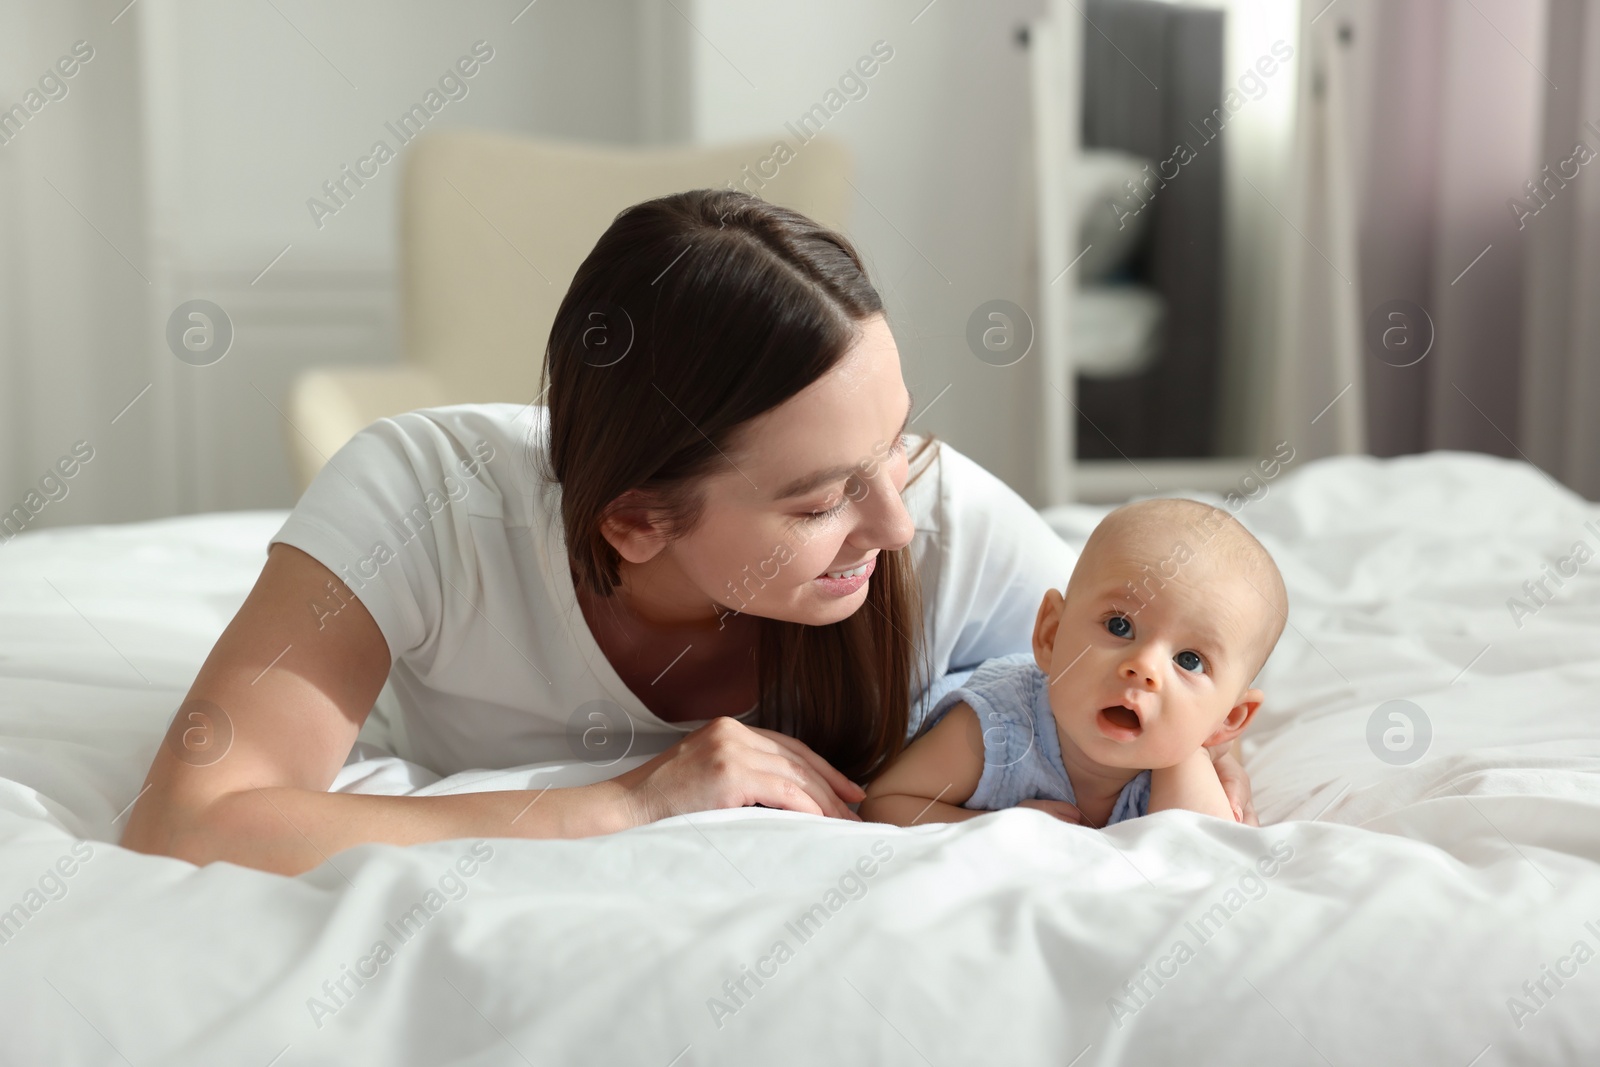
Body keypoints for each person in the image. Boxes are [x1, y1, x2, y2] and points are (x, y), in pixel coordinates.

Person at [120, 189, 1257, 877]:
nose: (895, 521)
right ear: (636, 520)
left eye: (897, 446)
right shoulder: (421, 502)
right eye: (818, 502)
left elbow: (1163, 683)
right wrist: (623, 801)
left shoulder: (944, 524)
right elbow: (191, 819)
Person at [860, 498, 1287, 829]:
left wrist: (1198, 754)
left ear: (1228, 719)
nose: (1144, 668)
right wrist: (996, 827)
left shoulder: (1180, 750)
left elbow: (1198, 854)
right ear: (1050, 634)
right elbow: (886, 803)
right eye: (1120, 626)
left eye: (1189, 661)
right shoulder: (992, 729)